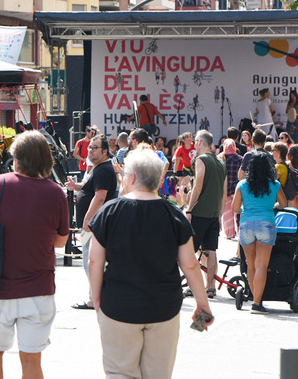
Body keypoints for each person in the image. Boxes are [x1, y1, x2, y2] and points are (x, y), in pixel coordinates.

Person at [88, 148, 213, 379]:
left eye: (124, 175)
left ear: (132, 178)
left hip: (118, 306)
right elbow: (190, 265)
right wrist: (202, 303)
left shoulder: (109, 212)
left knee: (119, 372)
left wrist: (96, 298)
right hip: (163, 307)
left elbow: (94, 260)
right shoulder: (174, 215)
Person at [0, 130, 69, 379]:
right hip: (39, 289)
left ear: (16, 158)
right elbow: (61, 242)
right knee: (32, 361)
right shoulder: (56, 192)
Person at [65, 134, 117, 311]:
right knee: (92, 262)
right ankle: (96, 296)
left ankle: (94, 299)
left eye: (95, 148)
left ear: (104, 151)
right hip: (94, 225)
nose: (90, 150)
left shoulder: (103, 169)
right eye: (89, 147)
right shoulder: (99, 168)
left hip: (95, 226)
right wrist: (77, 187)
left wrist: (88, 220)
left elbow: (100, 197)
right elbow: (93, 189)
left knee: (91, 262)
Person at [233, 152, 287, 314]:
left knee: (250, 264)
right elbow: (284, 204)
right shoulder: (274, 184)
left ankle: (253, 296)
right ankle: (257, 303)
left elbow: (235, 209)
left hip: (246, 224)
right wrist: (272, 205)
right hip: (266, 223)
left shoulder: (242, 184)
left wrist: (246, 208)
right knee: (262, 266)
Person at [185, 130, 227, 298]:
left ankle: (193, 286)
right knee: (211, 250)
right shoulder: (220, 162)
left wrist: (189, 209)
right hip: (214, 213)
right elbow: (224, 191)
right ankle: (211, 287)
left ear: (200, 142)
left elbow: (198, 184)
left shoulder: (201, 160)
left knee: (191, 250)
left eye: (195, 141)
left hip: (200, 212)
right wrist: (220, 213)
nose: (194, 144)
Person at [219, 139, 243, 240]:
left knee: (227, 212)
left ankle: (230, 233)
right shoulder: (240, 158)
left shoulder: (221, 158)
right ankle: (240, 231)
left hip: (225, 189)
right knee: (238, 211)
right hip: (237, 188)